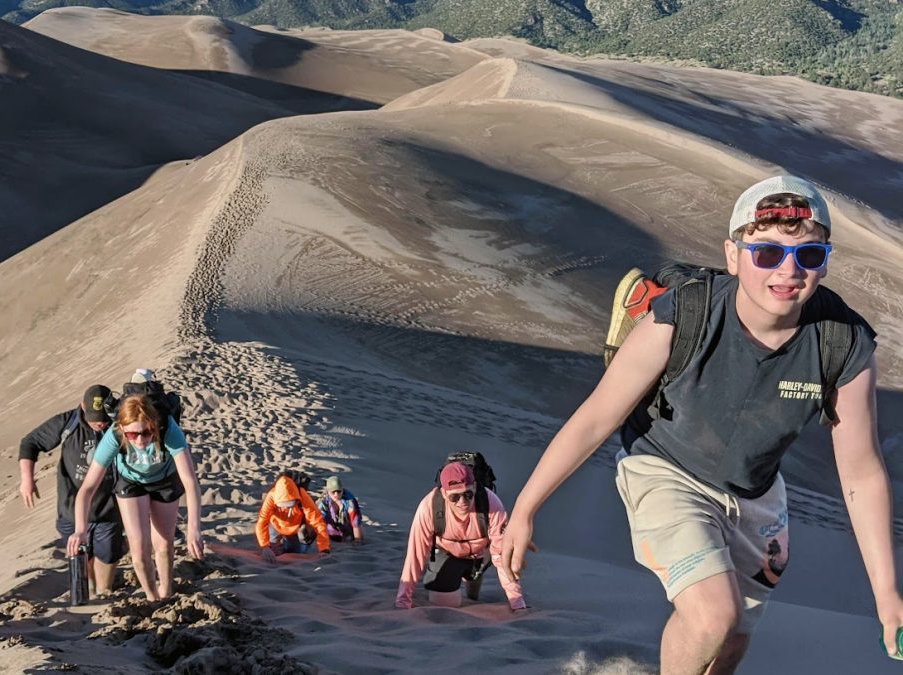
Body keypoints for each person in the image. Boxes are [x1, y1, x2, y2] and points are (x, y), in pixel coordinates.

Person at [501, 176, 903, 673]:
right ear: (733, 256)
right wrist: (524, 509)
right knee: (714, 615)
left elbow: (861, 472)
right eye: (767, 254)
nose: (789, 271)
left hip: (756, 496)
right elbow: (596, 417)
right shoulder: (686, 312)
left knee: (731, 641)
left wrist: (886, 594)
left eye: (809, 255)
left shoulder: (843, 344)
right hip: (666, 469)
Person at [67, 394, 203, 601]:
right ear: (122, 429)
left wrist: (193, 529)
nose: (140, 440)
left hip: (164, 479)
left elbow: (190, 482)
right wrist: (80, 529)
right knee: (139, 550)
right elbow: (87, 488)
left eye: (146, 432)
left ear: (154, 426)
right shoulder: (113, 436)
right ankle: (151, 597)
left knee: (164, 544)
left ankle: (166, 591)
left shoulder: (168, 429)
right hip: (131, 481)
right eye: (132, 435)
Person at [19, 384, 124, 596]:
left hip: (109, 506)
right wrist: (27, 479)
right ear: (82, 407)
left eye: (104, 417)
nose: (100, 422)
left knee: (108, 554)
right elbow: (30, 442)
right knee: (81, 553)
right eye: (95, 418)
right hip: (70, 507)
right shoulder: (67, 422)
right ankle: (90, 588)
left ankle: (104, 590)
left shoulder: (118, 424)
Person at [396, 462, 526, 610]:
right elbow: (415, 556)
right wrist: (403, 600)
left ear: (475, 487)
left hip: (481, 553)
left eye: (468, 494)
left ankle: (472, 575)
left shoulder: (491, 504)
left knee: (479, 573)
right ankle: (460, 575)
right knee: (446, 604)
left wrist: (517, 602)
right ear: (444, 494)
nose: (463, 502)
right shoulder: (429, 508)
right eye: (455, 497)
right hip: (447, 552)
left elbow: (502, 556)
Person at [256, 473, 331, 562]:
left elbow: (317, 521)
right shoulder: (272, 496)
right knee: (272, 553)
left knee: (297, 553)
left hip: (296, 527)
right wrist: (264, 546)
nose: (288, 509)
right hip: (276, 525)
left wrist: (324, 549)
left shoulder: (302, 495)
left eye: (291, 505)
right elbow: (262, 522)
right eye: (283, 506)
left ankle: (302, 542)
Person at [318, 476, 364, 544]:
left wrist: (358, 542)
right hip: (330, 533)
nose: (336, 494)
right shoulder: (323, 502)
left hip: (348, 532)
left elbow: (355, 523)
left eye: (339, 491)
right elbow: (319, 522)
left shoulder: (350, 501)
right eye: (333, 492)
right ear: (328, 492)